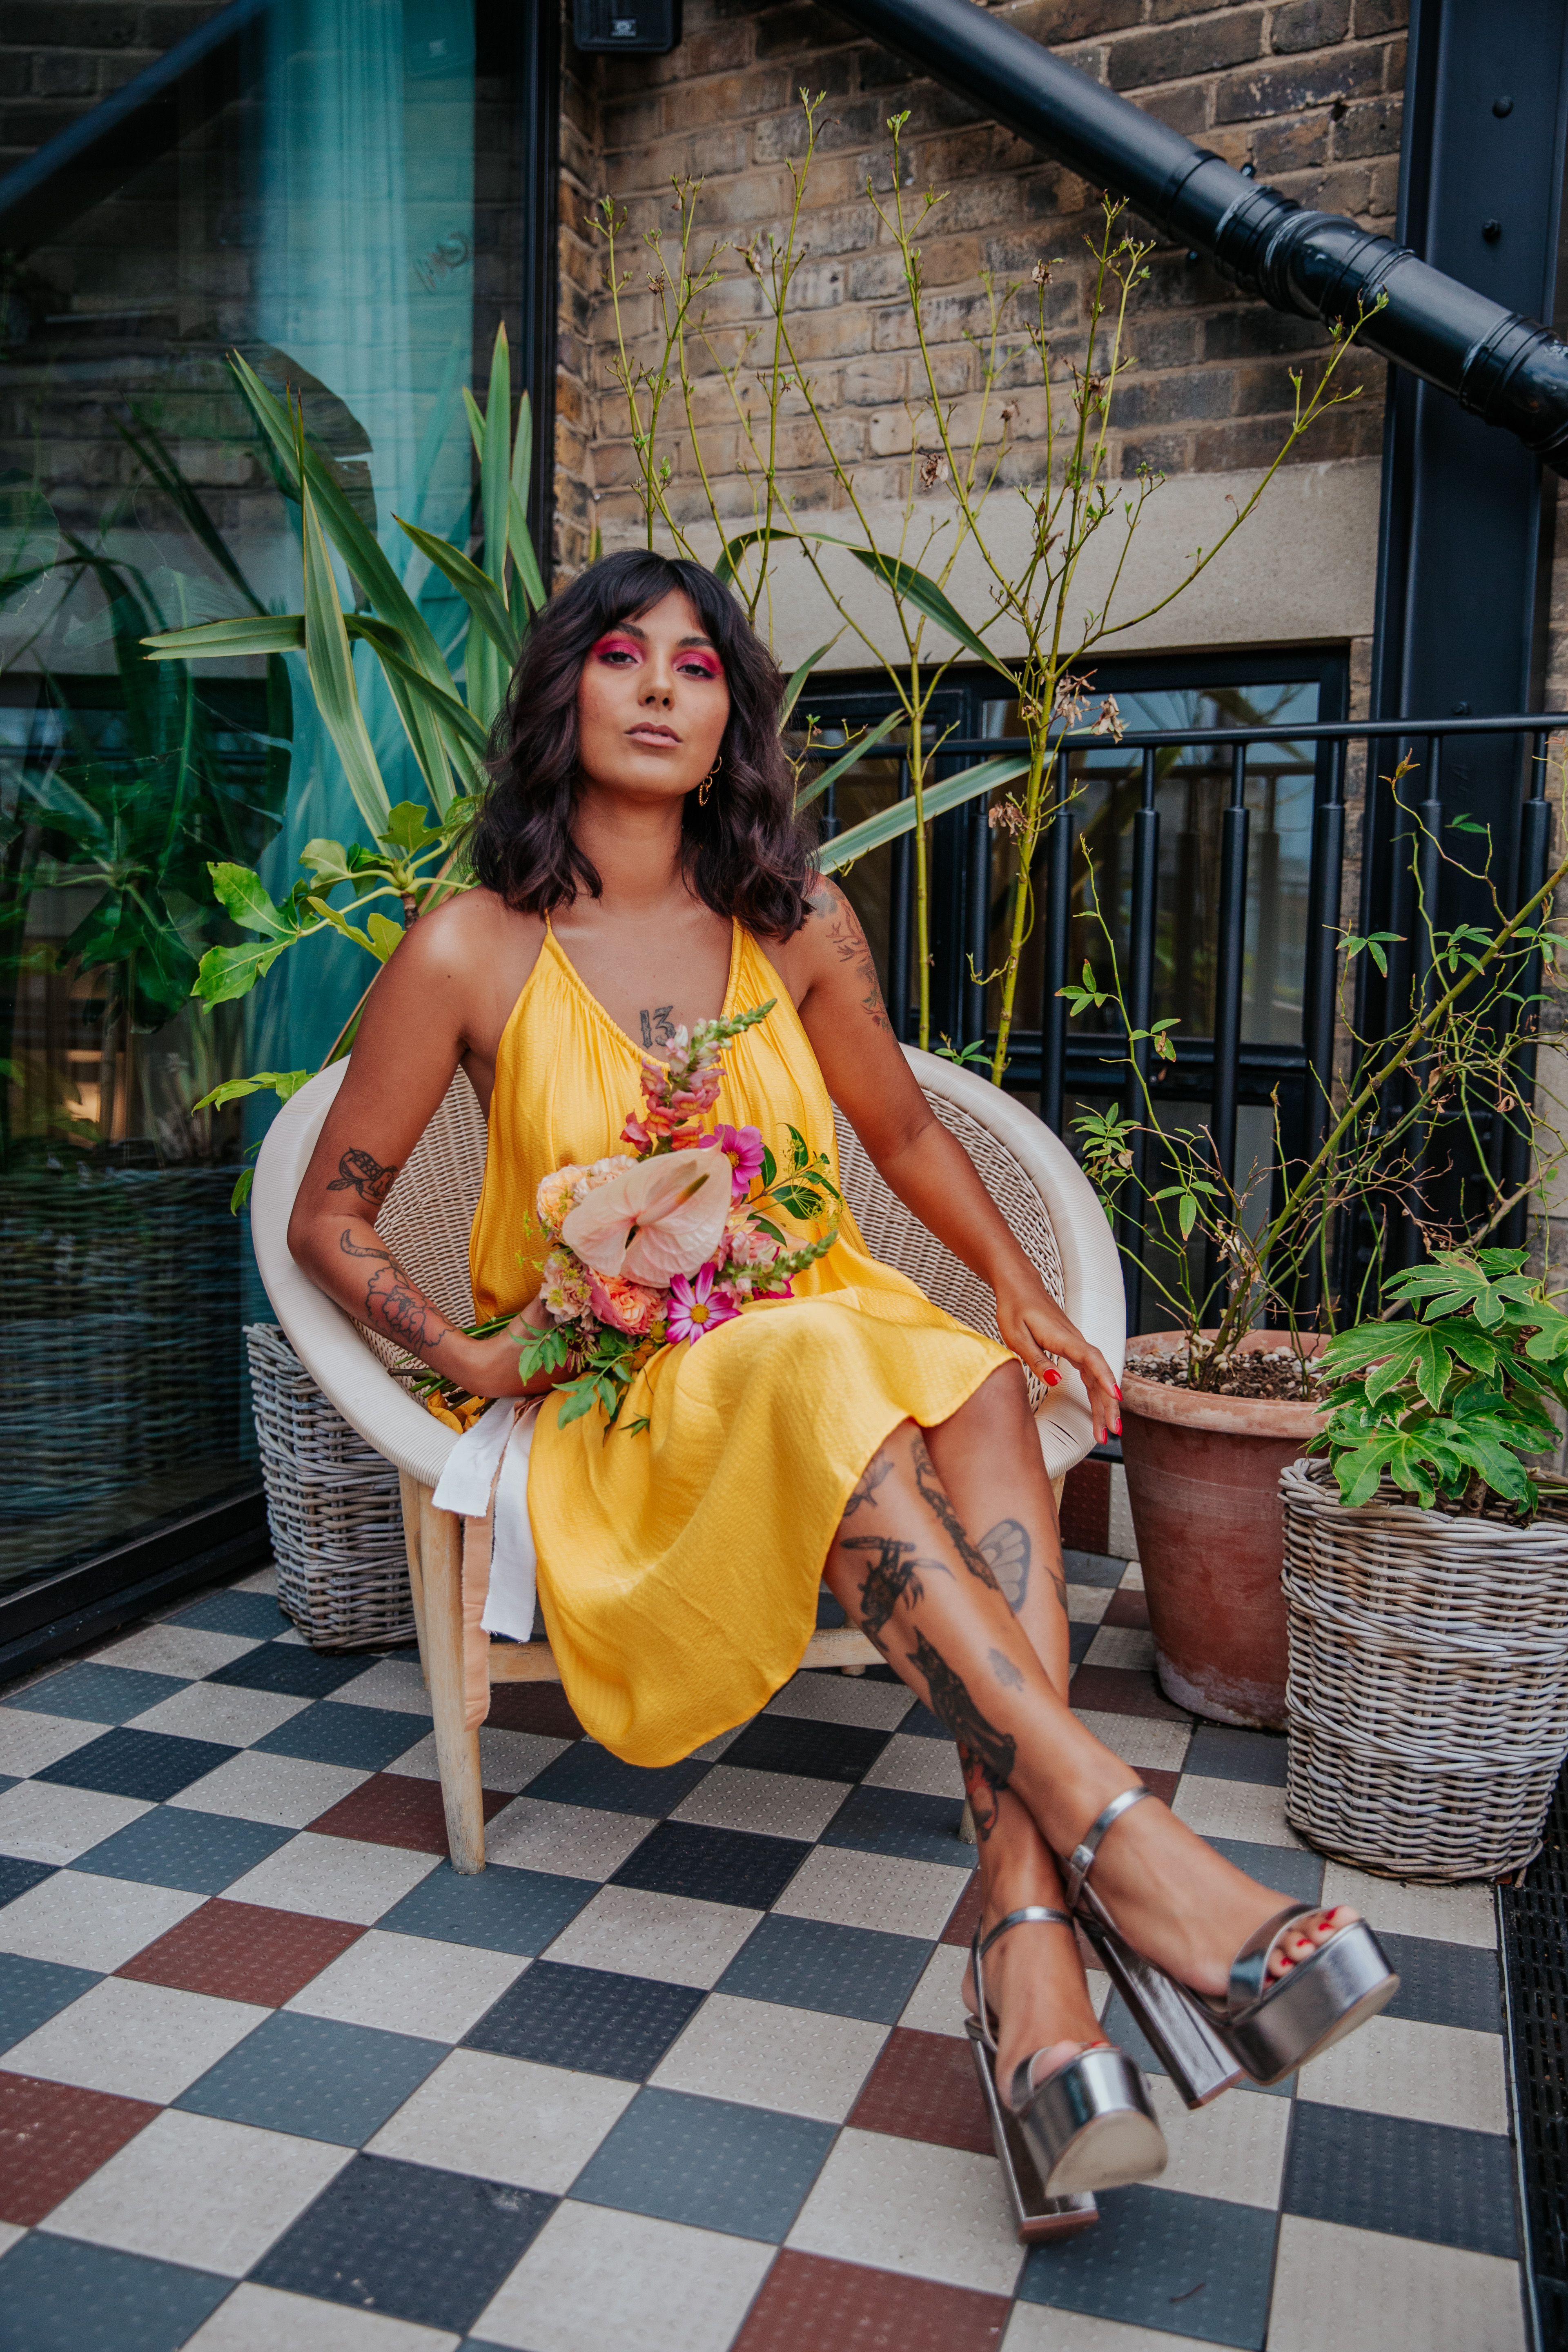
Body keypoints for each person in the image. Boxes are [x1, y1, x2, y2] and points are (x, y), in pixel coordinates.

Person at [289, 549, 1394, 2222]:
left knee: (961, 1378)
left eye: (700, 664)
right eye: (620, 653)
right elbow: (327, 1208)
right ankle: (1120, 1857)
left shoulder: (796, 922)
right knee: (843, 1359)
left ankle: (1033, 1968)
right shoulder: (472, 945)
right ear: (563, 692)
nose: (662, 684)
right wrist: (461, 1351)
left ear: (734, 713)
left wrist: (1021, 1286)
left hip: (817, 1337)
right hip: (623, 1392)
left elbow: (898, 1134)